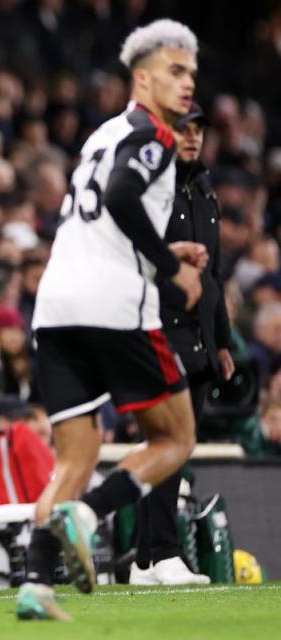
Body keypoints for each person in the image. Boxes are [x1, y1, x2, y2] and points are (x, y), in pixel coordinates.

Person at [16, 20, 203, 620]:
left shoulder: (101, 133)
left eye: (192, 74)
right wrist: (170, 272)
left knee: (73, 457)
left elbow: (105, 214)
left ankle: (35, 584)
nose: (187, 83)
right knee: (175, 439)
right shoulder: (158, 135)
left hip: (56, 305)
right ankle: (91, 512)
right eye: (176, 71)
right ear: (142, 77)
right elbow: (123, 195)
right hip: (115, 304)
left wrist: (162, 253)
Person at [131, 102, 232, 586]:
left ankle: (146, 560)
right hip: (157, 330)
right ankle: (162, 554)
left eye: (198, 130)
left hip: (197, 338)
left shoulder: (206, 193)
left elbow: (214, 277)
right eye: (183, 130)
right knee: (170, 444)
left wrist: (224, 342)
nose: (192, 138)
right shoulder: (149, 190)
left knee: (173, 446)